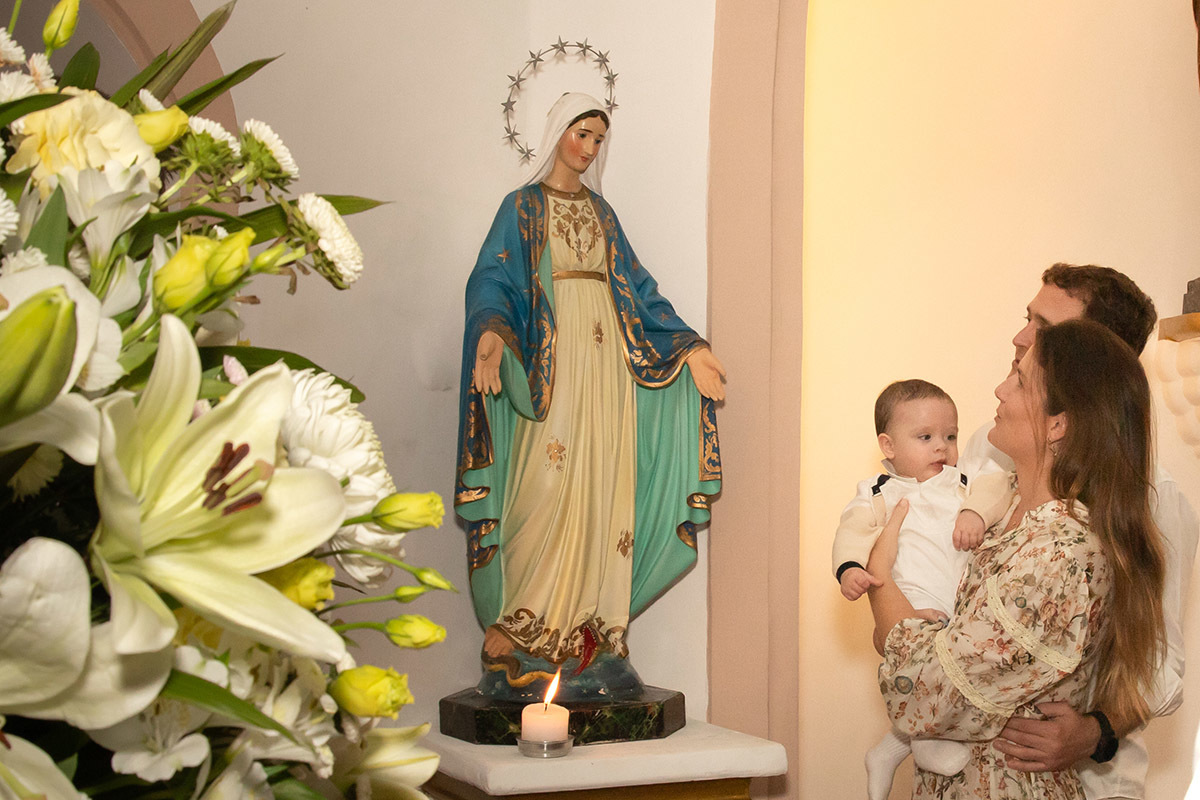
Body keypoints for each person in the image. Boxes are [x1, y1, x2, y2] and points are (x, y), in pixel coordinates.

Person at [454, 93, 725, 694]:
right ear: (556, 134)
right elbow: (492, 278)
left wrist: (691, 347)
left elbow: (641, 290)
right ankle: (522, 627)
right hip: (552, 370)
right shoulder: (522, 207)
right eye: (582, 134)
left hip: (606, 369)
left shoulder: (602, 215)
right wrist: (493, 334)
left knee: (603, 486)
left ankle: (590, 634)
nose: (590, 147)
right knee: (544, 487)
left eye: (599, 139)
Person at [869, 319, 1167, 798]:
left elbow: (922, 695)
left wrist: (880, 580)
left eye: (1022, 381)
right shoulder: (999, 508)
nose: (999, 389)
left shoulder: (1060, 550)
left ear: (1058, 423)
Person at [957, 264, 1199, 798]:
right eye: (1027, 318)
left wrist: (1094, 733)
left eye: (1045, 329)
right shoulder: (988, 444)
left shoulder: (1153, 499)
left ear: (1096, 357)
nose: (1022, 338)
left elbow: (1162, 664)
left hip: (1094, 785)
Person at [832, 379, 1013, 799]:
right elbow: (854, 528)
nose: (942, 447)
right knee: (928, 671)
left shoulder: (963, 479)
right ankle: (928, 740)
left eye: (950, 436)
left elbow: (997, 485)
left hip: (962, 597)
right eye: (925, 437)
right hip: (916, 597)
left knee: (961, 670)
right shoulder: (878, 491)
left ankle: (889, 751)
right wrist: (849, 569)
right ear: (888, 445)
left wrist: (975, 514)